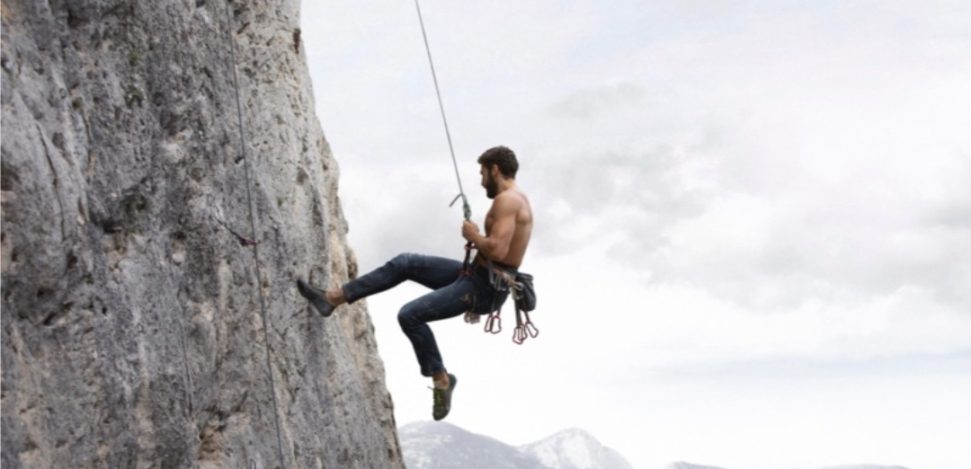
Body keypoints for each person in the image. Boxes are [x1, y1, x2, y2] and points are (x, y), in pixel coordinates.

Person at [296, 145, 533, 421]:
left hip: (485, 288)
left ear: (495, 169)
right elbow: (497, 250)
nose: (481, 182)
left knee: (410, 315)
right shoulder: (514, 200)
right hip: (478, 276)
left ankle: (441, 379)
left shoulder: (509, 201)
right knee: (405, 262)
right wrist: (479, 241)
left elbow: (498, 251)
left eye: (482, 174)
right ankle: (332, 298)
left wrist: (474, 235)